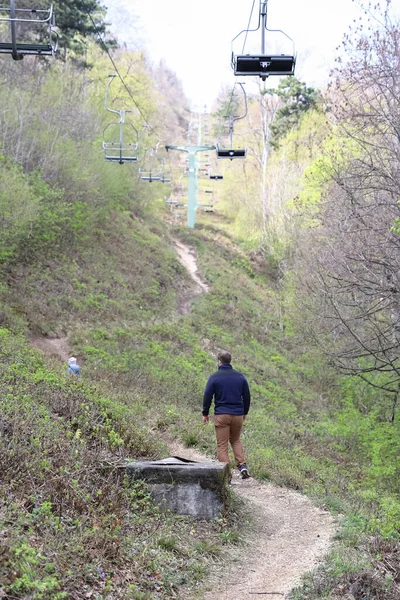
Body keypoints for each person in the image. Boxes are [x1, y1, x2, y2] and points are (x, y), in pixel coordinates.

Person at [202, 350, 251, 479]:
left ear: (219, 361)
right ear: (230, 361)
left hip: (222, 415)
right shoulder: (240, 377)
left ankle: (226, 475)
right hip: (237, 415)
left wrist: (205, 413)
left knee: (222, 445)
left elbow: (207, 396)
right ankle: (242, 466)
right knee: (235, 440)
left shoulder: (214, 377)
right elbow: (247, 396)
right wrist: (244, 412)